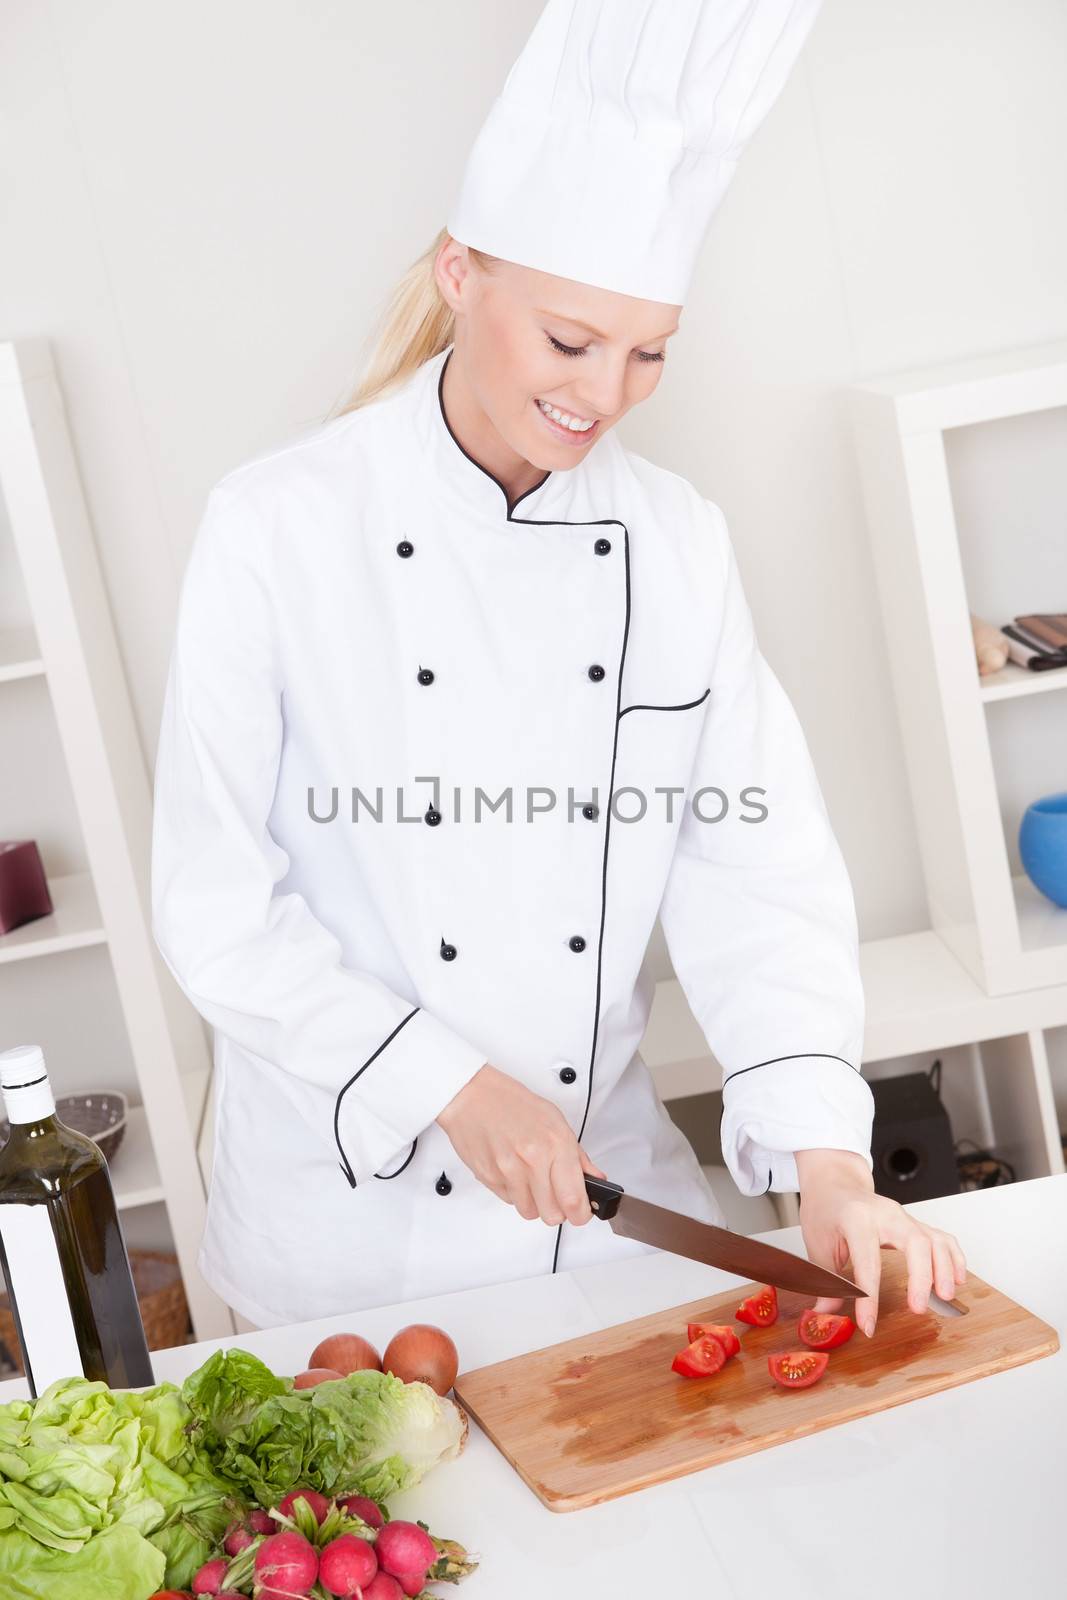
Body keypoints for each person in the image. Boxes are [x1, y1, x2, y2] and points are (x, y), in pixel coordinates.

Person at [151, 0, 967, 1331]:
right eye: (571, 342)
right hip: (351, 1235)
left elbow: (748, 864)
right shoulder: (277, 529)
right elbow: (216, 905)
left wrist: (828, 1162)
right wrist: (452, 1087)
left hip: (599, 1219)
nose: (606, 393)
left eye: (649, 353)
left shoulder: (674, 544)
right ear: (462, 273)